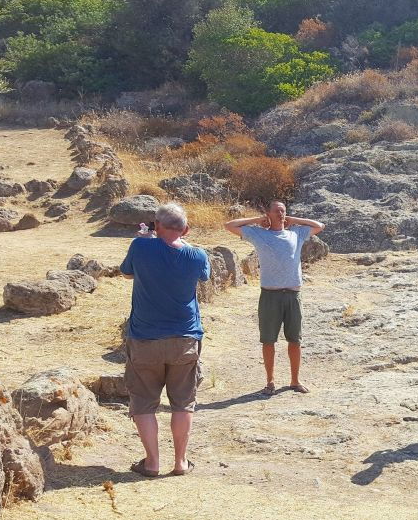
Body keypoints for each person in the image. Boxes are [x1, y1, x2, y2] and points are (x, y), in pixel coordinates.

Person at [120, 202, 210, 477]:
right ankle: (180, 462)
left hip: (145, 337)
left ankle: (152, 463)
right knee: (183, 402)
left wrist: (146, 240)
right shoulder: (198, 255)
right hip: (185, 337)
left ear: (156, 225)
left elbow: (126, 272)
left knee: (144, 402)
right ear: (186, 229)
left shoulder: (140, 246)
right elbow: (203, 278)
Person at [224, 200, 325, 395]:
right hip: (270, 295)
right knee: (268, 340)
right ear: (268, 213)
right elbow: (229, 226)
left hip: (293, 294)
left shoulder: (296, 233)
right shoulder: (259, 234)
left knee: (295, 340)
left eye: (283, 211)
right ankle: (270, 382)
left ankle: (295, 381)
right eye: (276, 211)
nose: (281, 214)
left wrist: (292, 219)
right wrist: (259, 219)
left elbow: (319, 226)